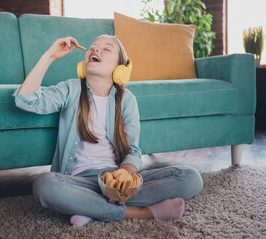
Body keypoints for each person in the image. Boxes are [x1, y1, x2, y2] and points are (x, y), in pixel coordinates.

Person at [13, 35, 203, 227]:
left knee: (191, 178)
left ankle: (87, 207)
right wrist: (49, 56)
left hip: (117, 180)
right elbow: (26, 100)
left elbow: (133, 151)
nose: (95, 50)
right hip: (79, 183)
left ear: (120, 69)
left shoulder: (127, 100)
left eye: (106, 49)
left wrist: (124, 175)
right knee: (44, 185)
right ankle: (137, 212)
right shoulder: (70, 89)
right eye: (93, 47)